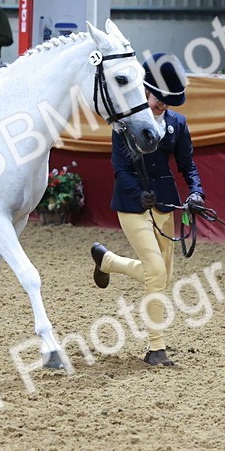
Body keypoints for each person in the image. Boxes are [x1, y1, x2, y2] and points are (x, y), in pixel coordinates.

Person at [89, 53, 204, 368]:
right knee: (155, 273)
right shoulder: (125, 125)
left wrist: (196, 192)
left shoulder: (177, 124)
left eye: (167, 102)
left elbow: (187, 165)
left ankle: (108, 261)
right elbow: (119, 169)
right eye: (158, 99)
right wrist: (139, 195)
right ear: (145, 91)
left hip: (165, 206)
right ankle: (156, 348)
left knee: (162, 277)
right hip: (132, 207)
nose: (162, 105)